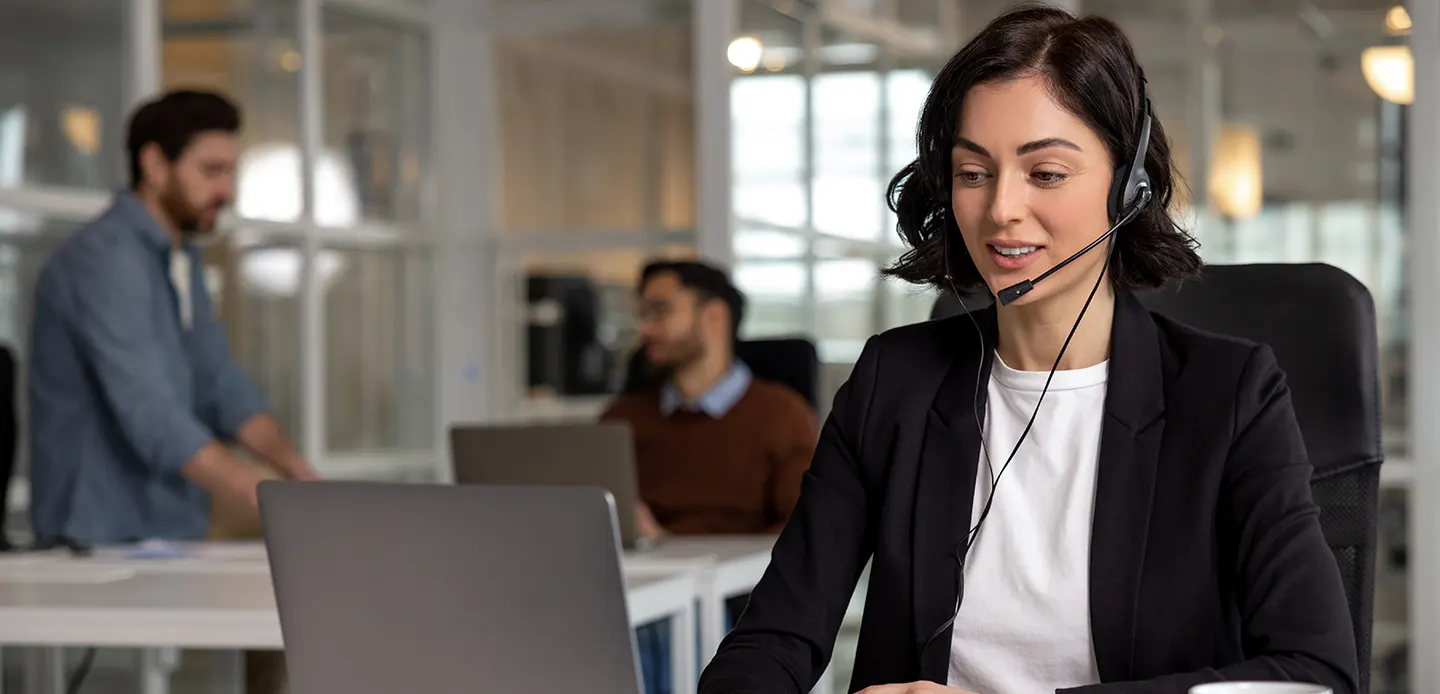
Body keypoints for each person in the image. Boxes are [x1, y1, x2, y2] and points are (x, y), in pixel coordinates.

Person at [698, 6, 1357, 694]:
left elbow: (1315, 674)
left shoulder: (1229, 394)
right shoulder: (894, 382)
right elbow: (773, 637)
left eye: (1045, 173)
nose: (1001, 209)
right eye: (973, 173)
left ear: (1127, 189)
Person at [28, 89, 317, 550]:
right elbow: (151, 415)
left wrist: (304, 480)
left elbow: (220, 386)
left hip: (166, 534)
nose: (227, 191)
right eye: (211, 171)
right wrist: (270, 501)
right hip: (94, 543)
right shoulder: (104, 261)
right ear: (155, 165)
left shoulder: (179, 259)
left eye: (230, 171)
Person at [601, 259, 818, 540]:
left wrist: (670, 543)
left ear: (714, 316)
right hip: (639, 577)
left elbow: (804, 533)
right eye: (642, 314)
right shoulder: (621, 419)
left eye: (660, 311)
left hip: (744, 580)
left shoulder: (782, 415)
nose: (645, 329)